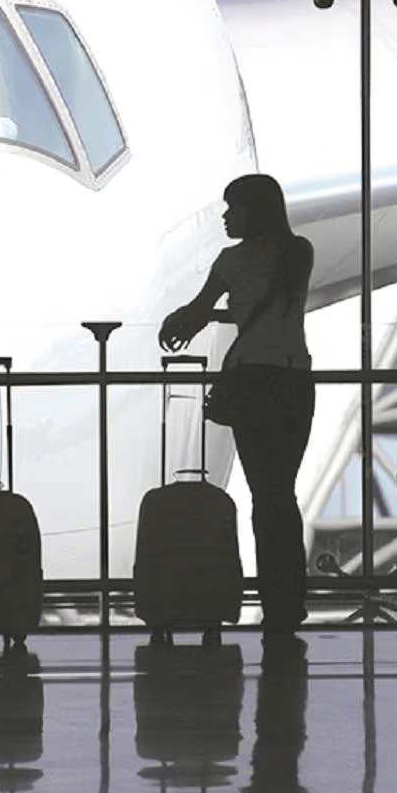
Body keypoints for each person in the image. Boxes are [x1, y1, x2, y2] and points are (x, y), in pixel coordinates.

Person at [159, 173, 315, 636]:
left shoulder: (232, 261)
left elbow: (198, 309)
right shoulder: (299, 253)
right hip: (295, 381)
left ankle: (274, 600)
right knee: (282, 493)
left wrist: (190, 318)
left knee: (263, 495)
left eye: (234, 208)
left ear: (254, 211)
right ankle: (291, 601)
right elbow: (275, 304)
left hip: (252, 384)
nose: (226, 217)